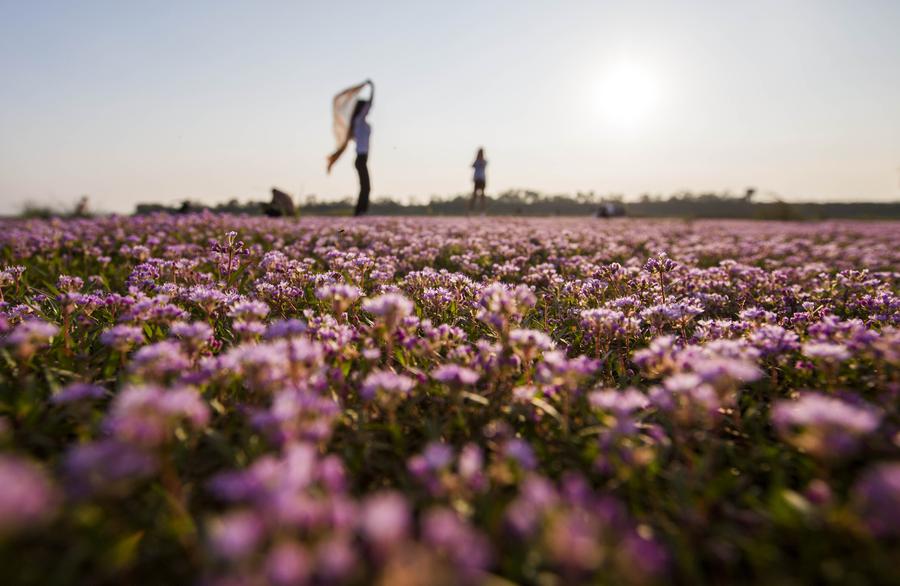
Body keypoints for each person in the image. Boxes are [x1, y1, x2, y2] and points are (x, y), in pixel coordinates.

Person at [327, 79, 374, 216]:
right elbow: (370, 104)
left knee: (365, 186)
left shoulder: (359, 124)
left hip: (362, 159)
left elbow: (368, 106)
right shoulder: (359, 122)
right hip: (361, 158)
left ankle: (360, 212)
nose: (369, 110)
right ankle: (360, 213)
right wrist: (372, 87)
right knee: (366, 186)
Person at [470, 147, 487, 213]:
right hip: (477, 180)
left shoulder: (484, 161)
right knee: (474, 196)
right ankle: (471, 210)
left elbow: (484, 164)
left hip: (482, 179)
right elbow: (472, 166)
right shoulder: (476, 161)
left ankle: (483, 211)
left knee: (482, 196)